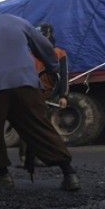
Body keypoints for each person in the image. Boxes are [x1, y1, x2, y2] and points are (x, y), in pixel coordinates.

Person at [0, 0, 80, 191]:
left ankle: (2, 176)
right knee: (39, 126)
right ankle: (69, 173)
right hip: (26, 84)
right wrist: (51, 68)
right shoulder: (18, 22)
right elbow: (45, 48)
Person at [19, 23, 70, 168]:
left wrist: (63, 96)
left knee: (41, 127)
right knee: (28, 126)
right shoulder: (29, 55)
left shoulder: (59, 53)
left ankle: (37, 158)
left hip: (48, 95)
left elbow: (64, 75)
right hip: (31, 94)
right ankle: (26, 158)